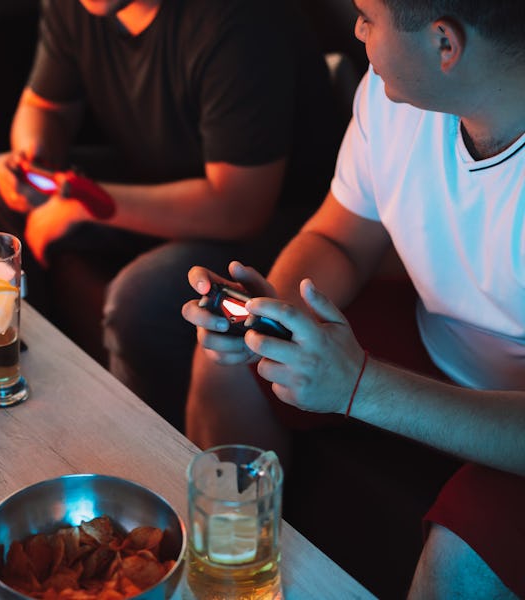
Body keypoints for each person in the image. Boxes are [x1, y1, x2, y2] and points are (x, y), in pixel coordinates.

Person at [181, 0, 525, 596]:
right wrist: (273, 312)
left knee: (459, 564)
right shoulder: (398, 98)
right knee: (228, 364)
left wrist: (360, 386)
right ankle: (236, 578)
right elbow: (337, 239)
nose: (356, 29)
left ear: (446, 44)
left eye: (367, 15)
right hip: (436, 339)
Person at [0, 0, 341, 431]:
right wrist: (32, 159)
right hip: (158, 173)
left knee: (141, 299)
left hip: (275, 217)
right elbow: (44, 107)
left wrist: (90, 206)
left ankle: (146, 451)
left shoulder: (239, 22)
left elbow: (239, 207)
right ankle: (32, 390)